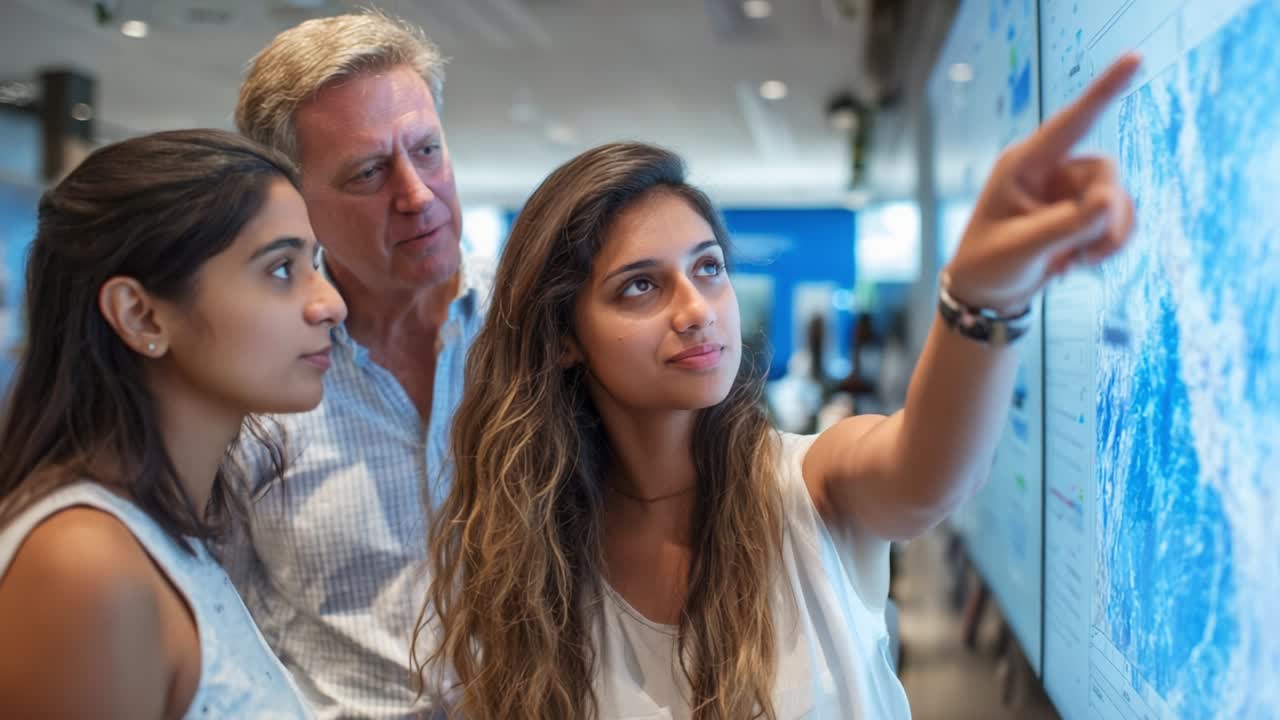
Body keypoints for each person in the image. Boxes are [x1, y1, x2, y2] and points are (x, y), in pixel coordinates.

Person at [419, 55, 1140, 718]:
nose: (697, 310)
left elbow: (929, 473)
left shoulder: (808, 486)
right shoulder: (531, 556)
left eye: (708, 268)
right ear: (565, 338)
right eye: (641, 287)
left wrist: (984, 296)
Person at [0, 129, 345, 718]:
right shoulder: (85, 566)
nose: (330, 303)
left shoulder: (170, 526)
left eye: (313, 263)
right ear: (140, 314)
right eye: (281, 269)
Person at [223, 11, 486, 718]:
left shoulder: (545, 334)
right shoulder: (250, 391)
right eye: (370, 171)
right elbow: (222, 629)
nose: (417, 194)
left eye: (427, 150)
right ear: (292, 200)